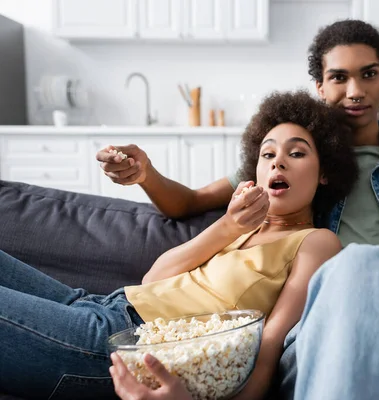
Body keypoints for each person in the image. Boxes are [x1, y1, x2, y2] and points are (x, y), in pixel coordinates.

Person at [99, 20, 379, 400]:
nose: (355, 90)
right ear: (320, 86)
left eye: (369, 73)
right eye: (339, 77)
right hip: (317, 321)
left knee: (363, 265)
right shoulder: (287, 157)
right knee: (345, 286)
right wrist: (146, 174)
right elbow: (191, 203)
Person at [0, 91, 357, 400]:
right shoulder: (240, 228)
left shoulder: (316, 242)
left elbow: (269, 348)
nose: (278, 160)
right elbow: (152, 280)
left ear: (324, 172)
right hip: (102, 305)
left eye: (296, 154)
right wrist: (228, 227)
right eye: (267, 154)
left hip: (123, 348)